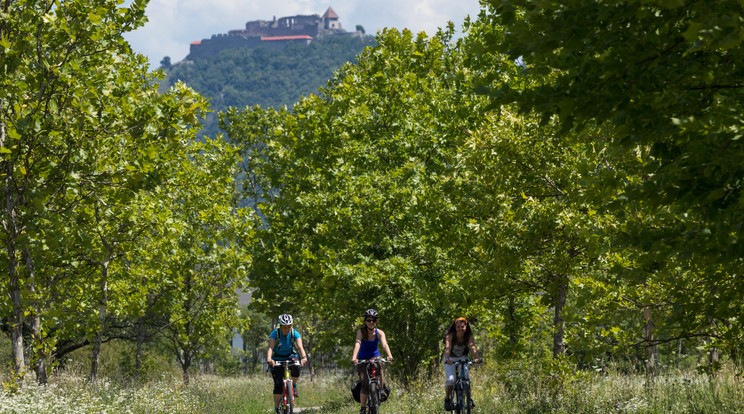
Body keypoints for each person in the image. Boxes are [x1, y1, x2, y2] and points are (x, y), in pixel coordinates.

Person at [351, 309, 394, 414]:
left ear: (376, 322)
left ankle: (382, 389)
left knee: (379, 367)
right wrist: (354, 358)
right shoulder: (361, 332)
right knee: (365, 383)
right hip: (362, 358)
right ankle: (362, 408)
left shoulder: (379, 333)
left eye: (373, 320)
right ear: (365, 321)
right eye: (369, 320)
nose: (371, 322)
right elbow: (358, 343)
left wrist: (389, 355)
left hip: (375, 356)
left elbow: (384, 344)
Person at [267, 313, 308, 414]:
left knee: (296, 369)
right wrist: (269, 359)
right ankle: (277, 407)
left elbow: (300, 347)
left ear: (291, 326)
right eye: (284, 327)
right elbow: (270, 348)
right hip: (277, 358)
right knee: (278, 384)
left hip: (291, 356)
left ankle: (293, 385)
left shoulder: (294, 333)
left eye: (288, 327)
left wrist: (304, 358)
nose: (286, 329)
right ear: (280, 326)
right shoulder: (275, 334)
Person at [443, 317, 481, 411]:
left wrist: (477, 358)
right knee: (451, 380)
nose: (460, 329)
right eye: (458, 326)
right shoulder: (450, 335)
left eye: (462, 326)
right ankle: (447, 399)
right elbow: (448, 348)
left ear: (466, 327)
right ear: (455, 327)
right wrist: (447, 359)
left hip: (462, 357)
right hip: (450, 358)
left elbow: (473, 348)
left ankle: (468, 398)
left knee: (466, 377)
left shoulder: (468, 337)